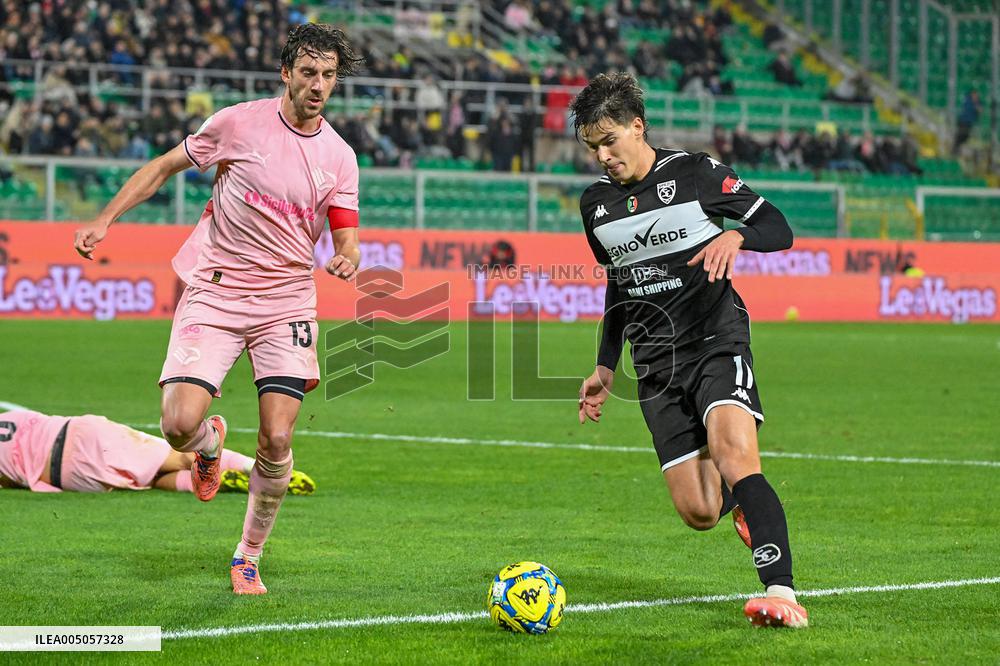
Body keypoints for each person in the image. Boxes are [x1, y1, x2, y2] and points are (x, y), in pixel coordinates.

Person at [72, 23, 364, 595]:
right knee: (178, 425)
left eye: (328, 75)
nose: (318, 85)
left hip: (286, 301)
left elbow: (347, 236)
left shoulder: (339, 156)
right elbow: (162, 167)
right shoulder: (237, 124)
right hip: (217, 290)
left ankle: (248, 556)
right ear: (286, 73)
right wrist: (105, 219)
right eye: (308, 73)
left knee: (277, 439)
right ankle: (209, 446)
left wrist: (347, 258)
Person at [571, 73, 807, 628]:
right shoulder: (595, 205)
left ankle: (782, 593)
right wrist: (605, 365)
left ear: (637, 126)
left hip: (715, 340)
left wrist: (736, 234)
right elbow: (620, 282)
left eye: (609, 141)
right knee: (699, 511)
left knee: (735, 455)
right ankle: (740, 505)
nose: (603, 156)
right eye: (592, 147)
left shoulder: (695, 173)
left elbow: (778, 226)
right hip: (655, 363)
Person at [0, 409, 315, 495]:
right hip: (80, 435)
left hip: (66, 477)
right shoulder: (9, 418)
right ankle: (258, 470)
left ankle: (213, 483)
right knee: (180, 454)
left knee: (151, 480)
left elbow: (9, 480)